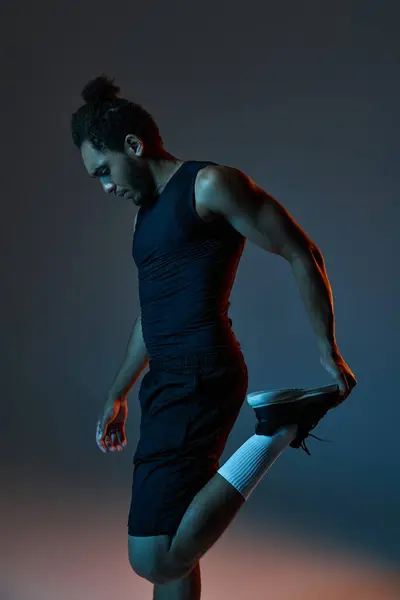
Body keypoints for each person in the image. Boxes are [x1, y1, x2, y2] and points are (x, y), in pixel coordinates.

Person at [71, 75, 357, 600]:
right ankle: (280, 425)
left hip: (201, 373)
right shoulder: (144, 218)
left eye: (104, 171)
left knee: (152, 555)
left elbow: (301, 251)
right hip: (168, 379)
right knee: (177, 549)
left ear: (133, 146)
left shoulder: (209, 185)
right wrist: (118, 392)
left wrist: (327, 349)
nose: (106, 187)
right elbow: (150, 315)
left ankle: (279, 428)